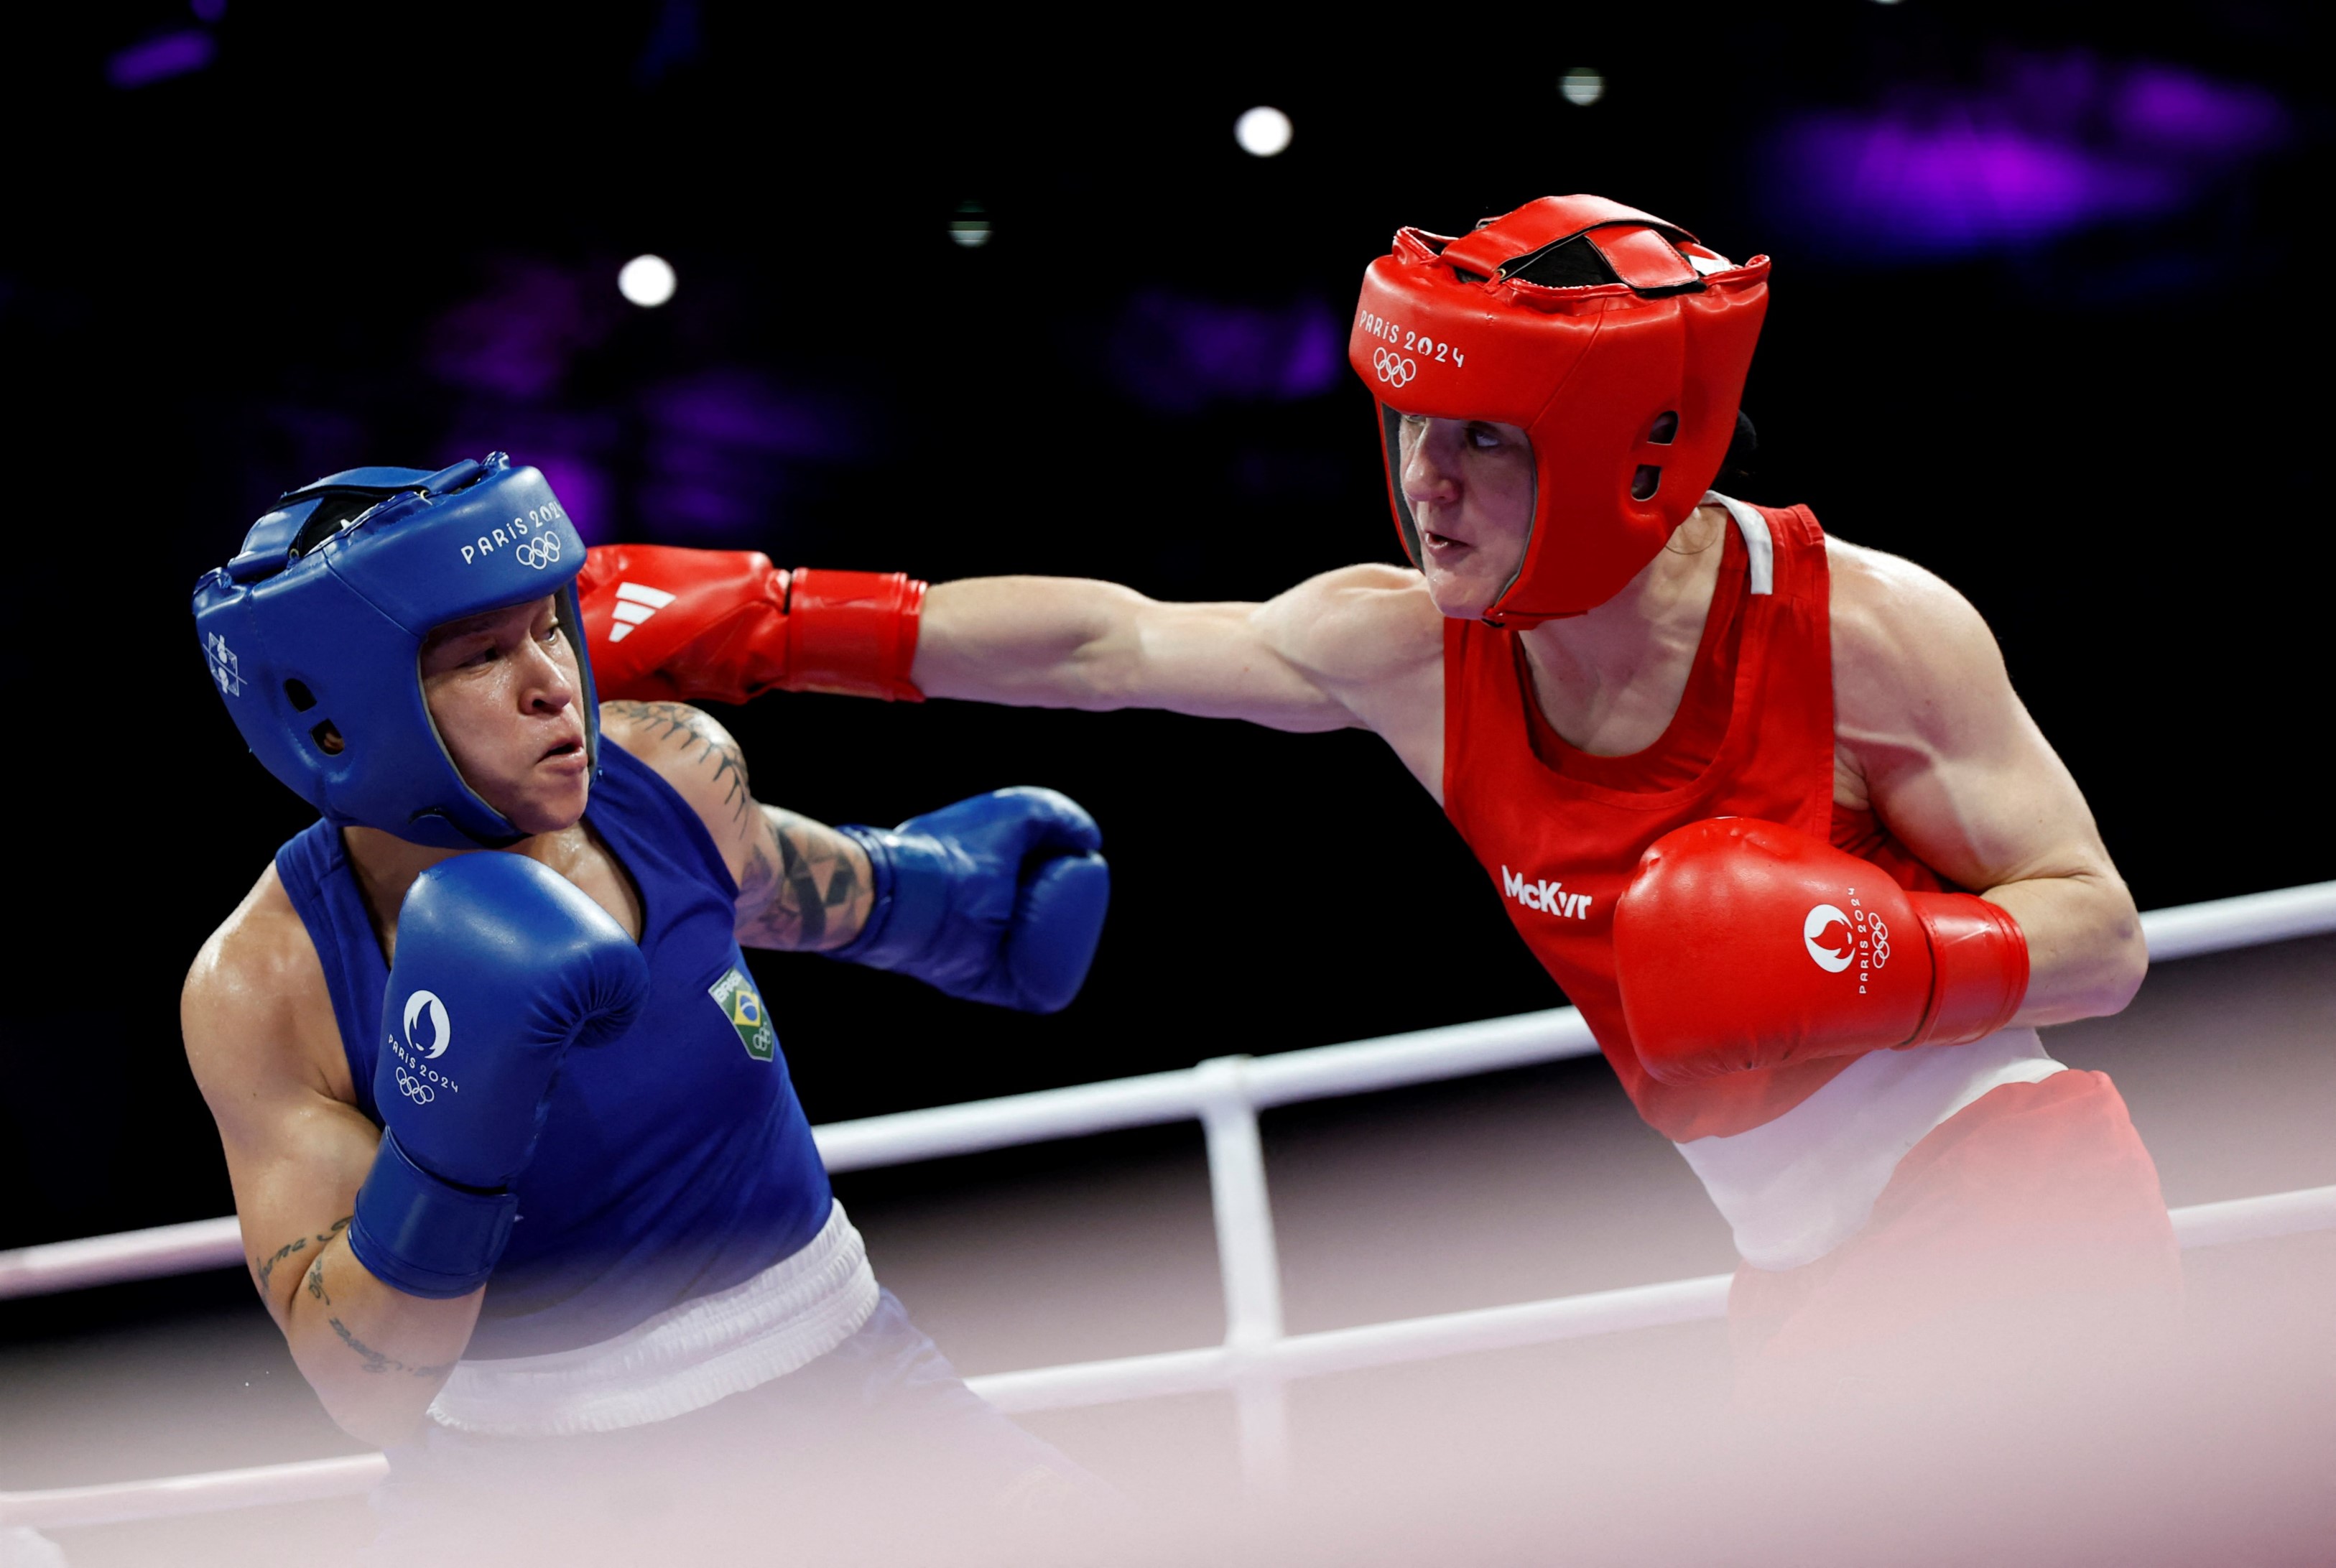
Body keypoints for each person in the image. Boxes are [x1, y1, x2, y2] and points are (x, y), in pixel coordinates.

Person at [583, 196, 2183, 1404]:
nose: (1427, 482)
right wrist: (771, 623)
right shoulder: (1413, 649)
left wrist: (1883, 956)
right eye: (1413, 424)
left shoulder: (1864, 630)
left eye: (1486, 438)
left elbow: (2102, 938)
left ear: (1638, 447)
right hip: (1800, 1257)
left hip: (2013, 1194)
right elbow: (1109, 641)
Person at [180, 454, 1115, 1562]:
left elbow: (794, 883)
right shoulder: (267, 987)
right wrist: (449, 1138)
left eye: (547, 626)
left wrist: (968, 904)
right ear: (331, 720)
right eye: (483, 655)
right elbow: (361, 1390)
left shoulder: (665, 769)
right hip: (526, 1504)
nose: (552, 681)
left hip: (856, 1394)